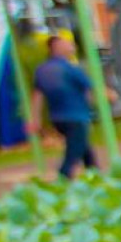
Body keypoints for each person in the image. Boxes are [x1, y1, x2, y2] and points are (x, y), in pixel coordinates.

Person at [30, 33, 103, 180]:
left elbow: (37, 96)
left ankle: (96, 176)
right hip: (76, 115)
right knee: (74, 152)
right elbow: (89, 90)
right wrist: (96, 106)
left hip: (58, 118)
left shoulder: (42, 70)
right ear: (56, 48)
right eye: (67, 44)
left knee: (85, 149)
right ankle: (63, 179)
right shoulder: (69, 69)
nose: (71, 47)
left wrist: (34, 119)